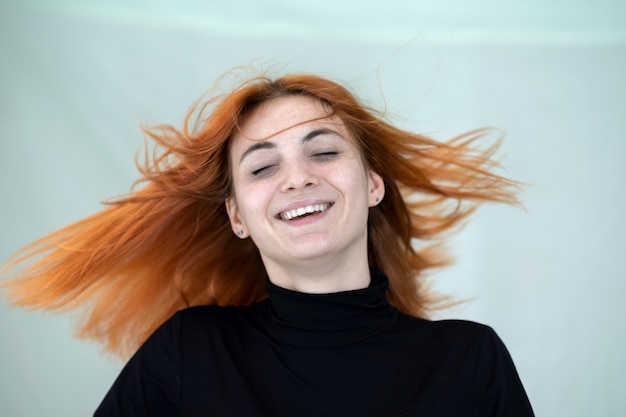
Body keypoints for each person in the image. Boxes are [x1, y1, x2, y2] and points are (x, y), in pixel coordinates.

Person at [2, 72, 535, 416]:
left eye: (323, 152)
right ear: (237, 215)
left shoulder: (468, 359)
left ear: (373, 185)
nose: (297, 178)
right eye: (262, 166)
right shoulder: (190, 350)